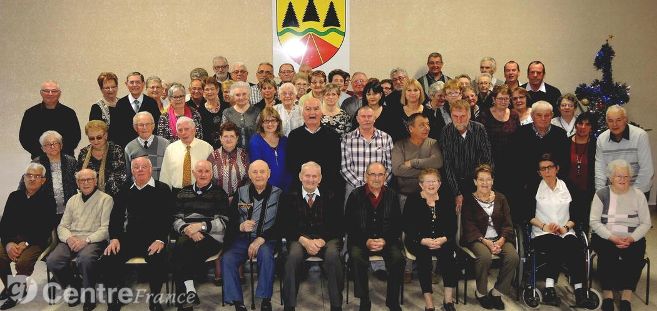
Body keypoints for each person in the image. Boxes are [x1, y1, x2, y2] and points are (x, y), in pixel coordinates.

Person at [103, 156, 174, 311]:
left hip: (154, 238)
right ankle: (115, 298)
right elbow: (116, 216)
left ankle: (155, 300)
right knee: (109, 256)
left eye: (144, 167)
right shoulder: (125, 189)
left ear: (151, 169)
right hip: (130, 237)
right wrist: (114, 237)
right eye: (136, 167)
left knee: (158, 259)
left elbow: (168, 218)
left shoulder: (162, 189)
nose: (140, 170)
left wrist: (161, 239)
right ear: (132, 171)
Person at [528, 153, 596, 308]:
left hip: (566, 231)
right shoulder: (534, 187)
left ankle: (579, 291)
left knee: (576, 246)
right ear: (539, 172)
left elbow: (578, 214)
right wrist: (544, 226)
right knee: (556, 244)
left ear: (557, 168)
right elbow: (526, 214)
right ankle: (549, 288)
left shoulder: (568, 186)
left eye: (550, 167)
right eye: (543, 169)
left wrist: (565, 227)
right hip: (542, 232)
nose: (547, 172)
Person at [46, 169, 112, 311]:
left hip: (93, 240)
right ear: (77, 183)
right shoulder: (72, 200)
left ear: (95, 181)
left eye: (89, 179)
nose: (86, 183)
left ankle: (89, 295)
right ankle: (73, 285)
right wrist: (69, 238)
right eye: (82, 180)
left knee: (85, 259)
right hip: (72, 238)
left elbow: (105, 229)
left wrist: (86, 240)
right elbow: (62, 225)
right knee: (53, 261)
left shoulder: (106, 199)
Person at [590, 159, 652, 311]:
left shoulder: (638, 195)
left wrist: (631, 238)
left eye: (626, 176)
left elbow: (646, 223)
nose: (623, 180)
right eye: (618, 176)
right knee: (607, 253)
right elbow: (594, 221)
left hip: (631, 237)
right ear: (610, 177)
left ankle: (626, 295)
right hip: (606, 235)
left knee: (635, 254)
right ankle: (608, 294)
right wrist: (612, 237)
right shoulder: (601, 194)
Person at [282, 162, 344, 311]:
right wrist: (304, 240)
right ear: (300, 177)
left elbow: (338, 225)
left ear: (320, 178)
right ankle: (289, 305)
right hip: (300, 239)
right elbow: (285, 225)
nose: (311, 179)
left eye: (314, 176)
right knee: (292, 257)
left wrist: (321, 240)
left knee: (333, 255)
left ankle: (336, 305)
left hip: (326, 238)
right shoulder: (289, 196)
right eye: (307, 176)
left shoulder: (332, 195)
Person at [222, 160, 283, 311]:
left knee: (266, 255)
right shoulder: (241, 192)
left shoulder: (279, 194)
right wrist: (240, 227)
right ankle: (238, 302)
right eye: (254, 172)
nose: (258, 175)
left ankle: (265, 299)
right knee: (227, 259)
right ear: (249, 174)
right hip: (242, 239)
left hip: (266, 240)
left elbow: (282, 224)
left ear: (269, 174)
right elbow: (230, 220)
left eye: (262, 172)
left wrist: (261, 239)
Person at [172, 160, 230, 311]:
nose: (203, 174)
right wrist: (187, 229)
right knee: (183, 247)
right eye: (200, 171)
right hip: (187, 235)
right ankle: (189, 293)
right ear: (193, 173)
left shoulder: (219, 193)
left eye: (206, 171)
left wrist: (201, 227)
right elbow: (175, 219)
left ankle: (184, 300)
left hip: (211, 237)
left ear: (212, 174)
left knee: (180, 253)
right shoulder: (183, 192)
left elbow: (223, 222)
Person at [345, 162, 403, 311]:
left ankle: (392, 301)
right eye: (372, 174)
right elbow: (349, 225)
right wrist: (366, 241)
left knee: (398, 259)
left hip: (387, 241)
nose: (376, 178)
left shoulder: (392, 195)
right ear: (366, 176)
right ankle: (364, 300)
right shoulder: (355, 195)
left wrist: (385, 240)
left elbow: (397, 225)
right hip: (361, 241)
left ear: (385, 177)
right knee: (356, 257)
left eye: (380, 175)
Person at [460, 164, 518, 310]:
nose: (485, 183)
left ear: (492, 181)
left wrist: (501, 240)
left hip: (500, 238)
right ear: (475, 182)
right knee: (484, 257)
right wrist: (486, 242)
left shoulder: (501, 198)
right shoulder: (469, 199)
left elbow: (507, 223)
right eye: (481, 180)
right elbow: (469, 226)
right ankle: (481, 293)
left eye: (488, 179)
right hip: (477, 239)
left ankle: (497, 292)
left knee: (513, 257)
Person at [0, 163, 56, 309]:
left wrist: (25, 243)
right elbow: (4, 223)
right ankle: (12, 288)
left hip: (35, 241)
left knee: (22, 262)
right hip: (12, 238)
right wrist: (8, 243)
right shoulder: (14, 196)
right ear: (24, 178)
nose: (32, 179)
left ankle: (14, 294)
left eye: (37, 176)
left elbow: (44, 229)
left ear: (43, 180)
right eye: (29, 176)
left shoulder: (48, 200)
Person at [402, 169, 457, 311]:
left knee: (448, 256)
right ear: (421, 184)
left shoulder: (446, 199)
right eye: (427, 181)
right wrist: (423, 240)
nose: (431, 184)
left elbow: (452, 225)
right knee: (423, 258)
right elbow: (408, 226)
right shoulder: (413, 199)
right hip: (418, 240)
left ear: (439, 183)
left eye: (434, 181)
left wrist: (443, 239)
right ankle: (429, 302)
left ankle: (448, 300)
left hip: (442, 239)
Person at [511, 101, 569, 222]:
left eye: (547, 115)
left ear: (552, 115)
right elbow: (514, 165)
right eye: (539, 115)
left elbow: (564, 163)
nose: (543, 118)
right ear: (532, 116)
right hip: (527, 186)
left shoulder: (560, 135)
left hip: (553, 185)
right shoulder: (519, 134)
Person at [440, 100, 492, 212]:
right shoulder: (446, 131)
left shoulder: (479, 129)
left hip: (477, 181)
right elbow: (447, 165)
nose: (459, 120)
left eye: (462, 116)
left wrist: (482, 185)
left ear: (469, 115)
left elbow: (486, 159)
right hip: (455, 183)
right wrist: (456, 193)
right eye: (455, 116)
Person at [287, 98, 343, 197]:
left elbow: (335, 164)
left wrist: (319, 183)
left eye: (316, 109)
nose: (312, 112)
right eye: (308, 109)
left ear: (322, 112)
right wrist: (307, 183)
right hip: (300, 188)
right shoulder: (294, 136)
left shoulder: (332, 135)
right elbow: (291, 165)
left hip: (327, 189)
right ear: (302, 113)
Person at [595, 105, 653, 197]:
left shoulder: (640, 136)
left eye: (618, 120)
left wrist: (633, 194)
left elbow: (646, 170)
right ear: (606, 122)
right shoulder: (601, 139)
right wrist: (600, 194)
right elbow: (600, 170)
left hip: (638, 191)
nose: (615, 124)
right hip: (613, 191)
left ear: (625, 119)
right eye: (610, 121)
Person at [18, 131, 77, 220]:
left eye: (55, 143)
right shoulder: (36, 163)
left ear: (61, 145)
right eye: (47, 144)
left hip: (70, 211)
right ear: (43, 148)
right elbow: (23, 186)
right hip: (45, 211)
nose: (52, 146)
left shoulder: (71, 161)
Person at [341, 106, 394, 205]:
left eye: (369, 116)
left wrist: (378, 184)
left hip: (380, 187)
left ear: (375, 118)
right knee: (353, 219)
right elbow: (345, 168)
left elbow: (390, 166)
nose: (366, 119)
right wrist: (362, 186)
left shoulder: (386, 138)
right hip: (354, 187)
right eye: (363, 116)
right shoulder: (347, 139)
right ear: (357, 119)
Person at [476, 85, 520, 199]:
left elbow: (518, 139)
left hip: (512, 163)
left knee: (511, 195)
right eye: (500, 98)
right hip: (492, 162)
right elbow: (480, 141)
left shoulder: (514, 115)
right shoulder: (484, 115)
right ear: (494, 99)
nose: (504, 101)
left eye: (507, 98)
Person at [19, 80, 81, 159]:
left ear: (59, 93)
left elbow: (75, 137)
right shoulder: (31, 113)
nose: (50, 94)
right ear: (41, 93)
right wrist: (44, 153)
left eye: (54, 91)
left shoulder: (69, 113)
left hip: (65, 159)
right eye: (46, 91)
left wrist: (57, 153)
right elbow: (25, 138)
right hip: (40, 158)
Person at [392, 113, 443, 207]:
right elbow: (397, 170)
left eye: (428, 124)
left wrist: (413, 162)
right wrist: (429, 172)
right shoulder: (400, 145)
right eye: (422, 125)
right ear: (411, 129)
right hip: (404, 196)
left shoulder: (433, 143)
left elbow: (438, 162)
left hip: (429, 196)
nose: (427, 128)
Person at [159, 117, 214, 193]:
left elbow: (212, 174)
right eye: (180, 130)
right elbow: (165, 175)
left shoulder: (207, 148)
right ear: (177, 132)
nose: (183, 132)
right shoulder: (170, 149)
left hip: (201, 193)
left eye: (186, 129)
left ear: (194, 130)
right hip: (176, 193)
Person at [77, 120, 127, 197]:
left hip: (112, 197)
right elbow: (78, 175)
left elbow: (120, 177)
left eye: (99, 137)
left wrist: (100, 197)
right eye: (91, 138)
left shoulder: (116, 150)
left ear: (106, 135)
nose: (96, 141)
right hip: (88, 197)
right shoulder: (84, 152)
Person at [111, 72, 161, 148]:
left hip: (150, 148)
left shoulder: (151, 103)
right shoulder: (121, 104)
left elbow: (157, 127)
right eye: (131, 82)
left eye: (138, 82)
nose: (135, 85)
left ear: (143, 84)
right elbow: (116, 130)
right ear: (126, 84)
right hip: (127, 149)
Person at [249, 107, 291, 192]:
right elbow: (257, 170)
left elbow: (289, 165)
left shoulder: (285, 140)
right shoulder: (255, 142)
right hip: (265, 189)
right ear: (261, 123)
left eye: (273, 120)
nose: (270, 124)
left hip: (286, 188)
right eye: (266, 121)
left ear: (278, 122)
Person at [568, 112, 597, 230]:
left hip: (587, 190)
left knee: (584, 220)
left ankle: (583, 246)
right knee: (568, 219)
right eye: (580, 123)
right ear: (576, 125)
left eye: (587, 124)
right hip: (567, 189)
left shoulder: (595, 144)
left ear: (592, 128)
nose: (583, 127)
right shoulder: (566, 142)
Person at [208, 121, 249, 201]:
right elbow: (208, 179)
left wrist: (238, 196)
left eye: (232, 136)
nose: (228, 139)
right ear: (220, 138)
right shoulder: (213, 156)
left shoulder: (244, 155)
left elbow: (249, 179)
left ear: (237, 138)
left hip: (241, 199)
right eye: (225, 136)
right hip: (217, 200)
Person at [124, 112, 170, 181]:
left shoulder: (165, 144)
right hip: (139, 189)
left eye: (148, 124)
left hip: (161, 188)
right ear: (135, 127)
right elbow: (128, 174)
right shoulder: (129, 148)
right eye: (141, 125)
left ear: (153, 126)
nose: (145, 128)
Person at [221, 81, 261, 149]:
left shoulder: (257, 112)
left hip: (254, 151)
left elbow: (261, 134)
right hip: (233, 153)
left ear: (249, 95)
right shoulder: (227, 113)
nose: (241, 97)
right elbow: (224, 135)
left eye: (244, 94)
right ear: (233, 96)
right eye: (237, 95)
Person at [198, 77, 228, 148]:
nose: (210, 92)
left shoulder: (226, 107)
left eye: (212, 89)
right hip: (208, 148)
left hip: (227, 146)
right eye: (207, 90)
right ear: (203, 92)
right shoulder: (200, 111)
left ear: (217, 90)